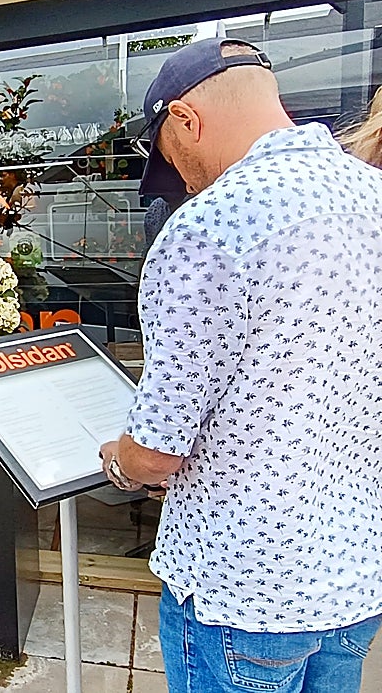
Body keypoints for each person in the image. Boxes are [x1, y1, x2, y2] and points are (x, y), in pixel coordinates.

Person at [98, 37, 382, 692]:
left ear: (185, 119)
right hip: (355, 575)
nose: (184, 181)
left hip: (243, 589)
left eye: (172, 158)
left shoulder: (207, 228)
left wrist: (119, 460)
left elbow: (157, 452)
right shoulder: (372, 195)